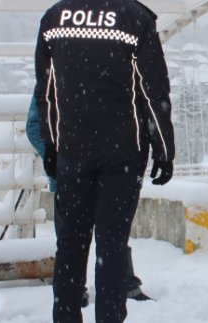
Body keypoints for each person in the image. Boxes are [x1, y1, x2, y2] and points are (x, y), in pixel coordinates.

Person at [34, 0, 175, 323]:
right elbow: (153, 94)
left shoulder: (55, 17)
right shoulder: (138, 19)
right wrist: (164, 149)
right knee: (112, 247)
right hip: (121, 155)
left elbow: (45, 96)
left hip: (73, 153)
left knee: (70, 247)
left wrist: (51, 148)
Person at [25, 95, 152, 307]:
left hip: (107, 176)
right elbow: (34, 126)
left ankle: (123, 283)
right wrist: (61, 160)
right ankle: (76, 292)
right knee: (71, 241)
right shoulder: (54, 75)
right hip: (69, 179)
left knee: (112, 237)